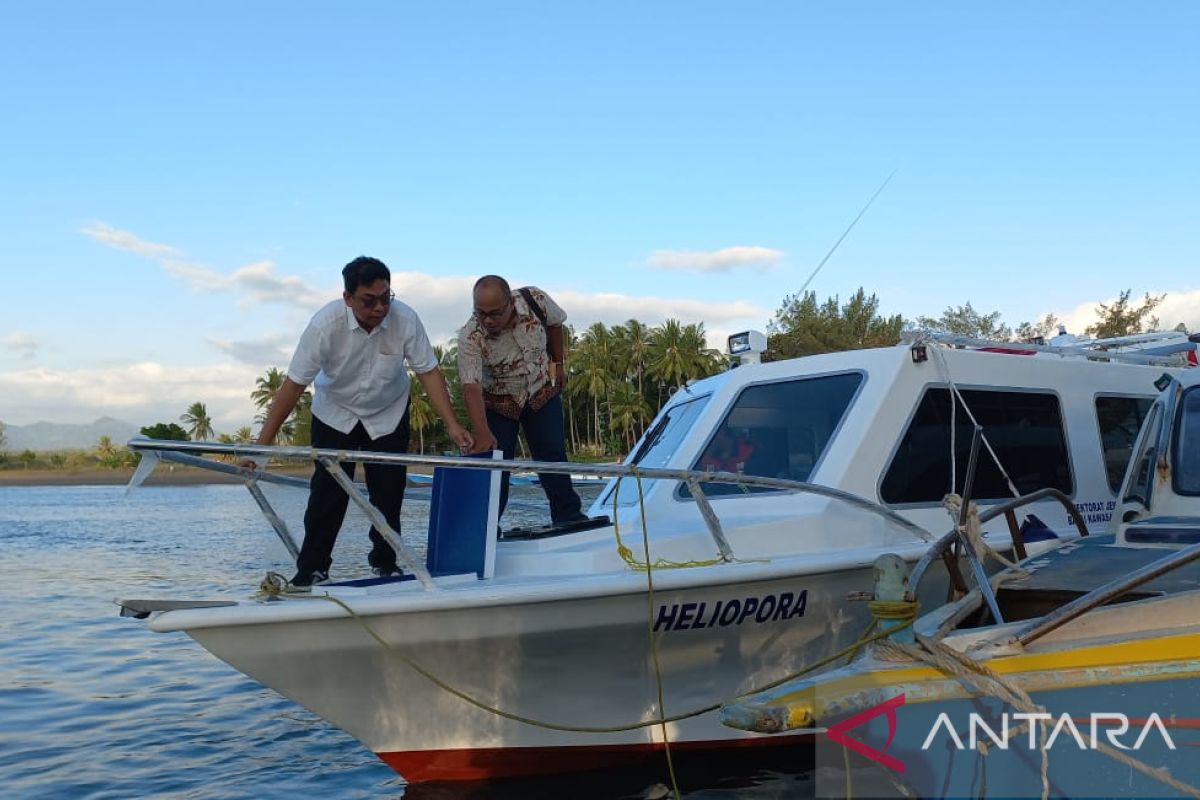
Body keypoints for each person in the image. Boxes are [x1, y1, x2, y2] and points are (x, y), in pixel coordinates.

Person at [247, 256, 472, 588]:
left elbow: (428, 371)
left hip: (388, 412)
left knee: (389, 493)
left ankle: (386, 563)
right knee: (327, 495)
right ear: (348, 297)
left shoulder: (406, 319)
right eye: (370, 300)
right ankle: (312, 568)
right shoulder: (324, 325)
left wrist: (452, 424)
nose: (380, 308)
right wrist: (260, 448)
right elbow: (292, 385)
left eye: (386, 297)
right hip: (335, 412)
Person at [457, 275, 586, 526]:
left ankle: (569, 518)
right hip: (500, 402)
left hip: (541, 391)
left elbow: (555, 323)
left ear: (510, 303)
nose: (488, 321)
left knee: (552, 456)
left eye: (495, 313)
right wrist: (482, 431)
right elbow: (470, 386)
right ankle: (485, 529)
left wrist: (558, 364)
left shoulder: (534, 299)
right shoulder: (470, 336)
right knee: (496, 468)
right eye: (480, 313)